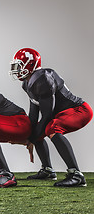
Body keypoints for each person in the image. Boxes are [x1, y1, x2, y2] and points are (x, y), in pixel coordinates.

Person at [10, 48, 93, 187]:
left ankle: (76, 175)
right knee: (36, 128)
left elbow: (48, 114)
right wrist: (30, 135)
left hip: (79, 110)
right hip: (61, 113)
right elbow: (34, 112)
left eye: (19, 66)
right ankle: (47, 170)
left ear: (30, 65)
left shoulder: (43, 78)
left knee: (52, 127)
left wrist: (30, 138)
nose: (16, 69)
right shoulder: (27, 83)